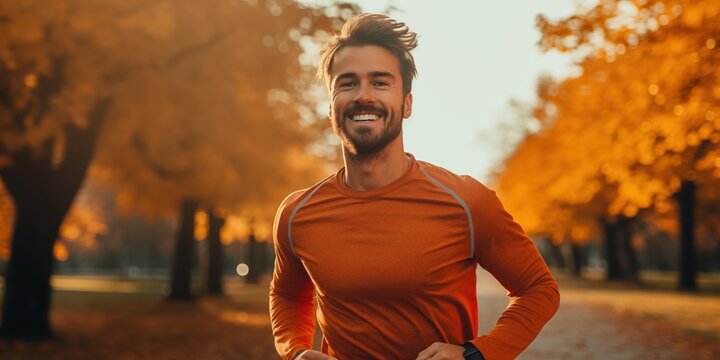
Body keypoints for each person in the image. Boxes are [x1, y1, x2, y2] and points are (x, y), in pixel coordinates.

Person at [269, 13, 560, 360]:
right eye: (347, 83)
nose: (363, 96)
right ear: (331, 106)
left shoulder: (467, 201)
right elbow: (287, 295)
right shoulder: (296, 213)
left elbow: (538, 289)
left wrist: (476, 355)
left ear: (407, 103)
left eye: (380, 83)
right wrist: (296, 352)